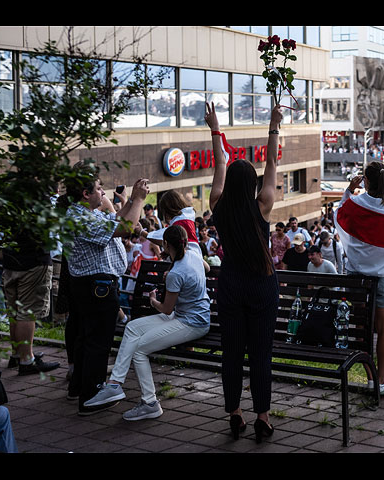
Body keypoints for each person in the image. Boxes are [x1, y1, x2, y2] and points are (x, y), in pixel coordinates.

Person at [206, 101, 281, 443]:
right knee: (260, 352)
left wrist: (214, 129)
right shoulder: (262, 205)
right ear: (252, 184)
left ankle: (234, 412)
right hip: (261, 286)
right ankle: (262, 417)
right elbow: (272, 162)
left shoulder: (217, 205)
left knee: (232, 350)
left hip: (231, 284)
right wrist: (274, 124)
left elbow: (221, 162)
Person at [82, 225, 211, 420]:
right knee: (133, 327)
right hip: (187, 315)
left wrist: (152, 300)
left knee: (140, 350)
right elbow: (206, 268)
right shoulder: (193, 253)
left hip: (192, 323)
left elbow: (166, 309)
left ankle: (150, 402)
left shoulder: (176, 273)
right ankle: (115, 385)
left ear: (166, 245)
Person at [64, 162, 149, 416]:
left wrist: (127, 202)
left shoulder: (85, 213)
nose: (103, 194)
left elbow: (116, 219)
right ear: (85, 194)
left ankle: (79, 387)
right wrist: (138, 200)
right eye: (99, 189)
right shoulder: (79, 217)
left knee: (85, 339)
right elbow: (125, 228)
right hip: (96, 286)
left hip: (89, 285)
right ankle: (91, 396)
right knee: (98, 342)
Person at [334, 161, 384, 395]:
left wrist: (348, 190)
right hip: (382, 279)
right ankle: (380, 379)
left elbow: (339, 216)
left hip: (357, 280)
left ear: (365, 181)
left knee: (362, 328)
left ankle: (368, 376)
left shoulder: (354, 203)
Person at [1, 226, 59, 375]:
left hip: (11, 258)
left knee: (14, 311)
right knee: (27, 313)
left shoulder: (5, 201)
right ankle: (27, 361)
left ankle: (17, 354)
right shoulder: (37, 202)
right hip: (33, 260)